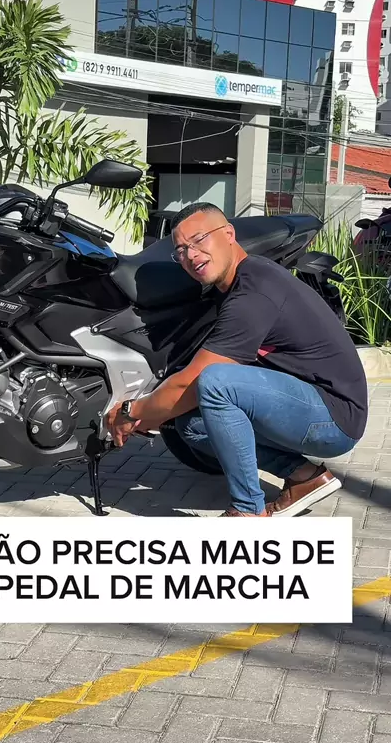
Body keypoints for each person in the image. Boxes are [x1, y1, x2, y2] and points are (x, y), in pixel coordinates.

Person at [105, 202, 368, 517]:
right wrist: (155, 411)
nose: (191, 255)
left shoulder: (254, 290)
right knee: (192, 425)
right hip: (305, 401)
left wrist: (132, 411)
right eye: (181, 250)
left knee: (216, 381)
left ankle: (247, 510)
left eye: (199, 240)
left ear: (229, 234)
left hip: (334, 418)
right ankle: (305, 477)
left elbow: (194, 381)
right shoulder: (232, 284)